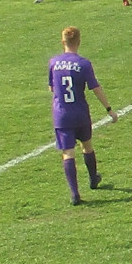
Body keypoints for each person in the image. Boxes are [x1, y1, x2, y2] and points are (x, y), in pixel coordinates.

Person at [48, 26, 117, 206]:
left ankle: (74, 193)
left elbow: (51, 88)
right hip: (80, 112)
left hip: (61, 114)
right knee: (86, 145)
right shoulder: (83, 64)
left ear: (63, 42)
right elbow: (95, 88)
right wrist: (109, 109)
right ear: (79, 42)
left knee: (68, 152)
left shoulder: (53, 62)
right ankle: (93, 178)